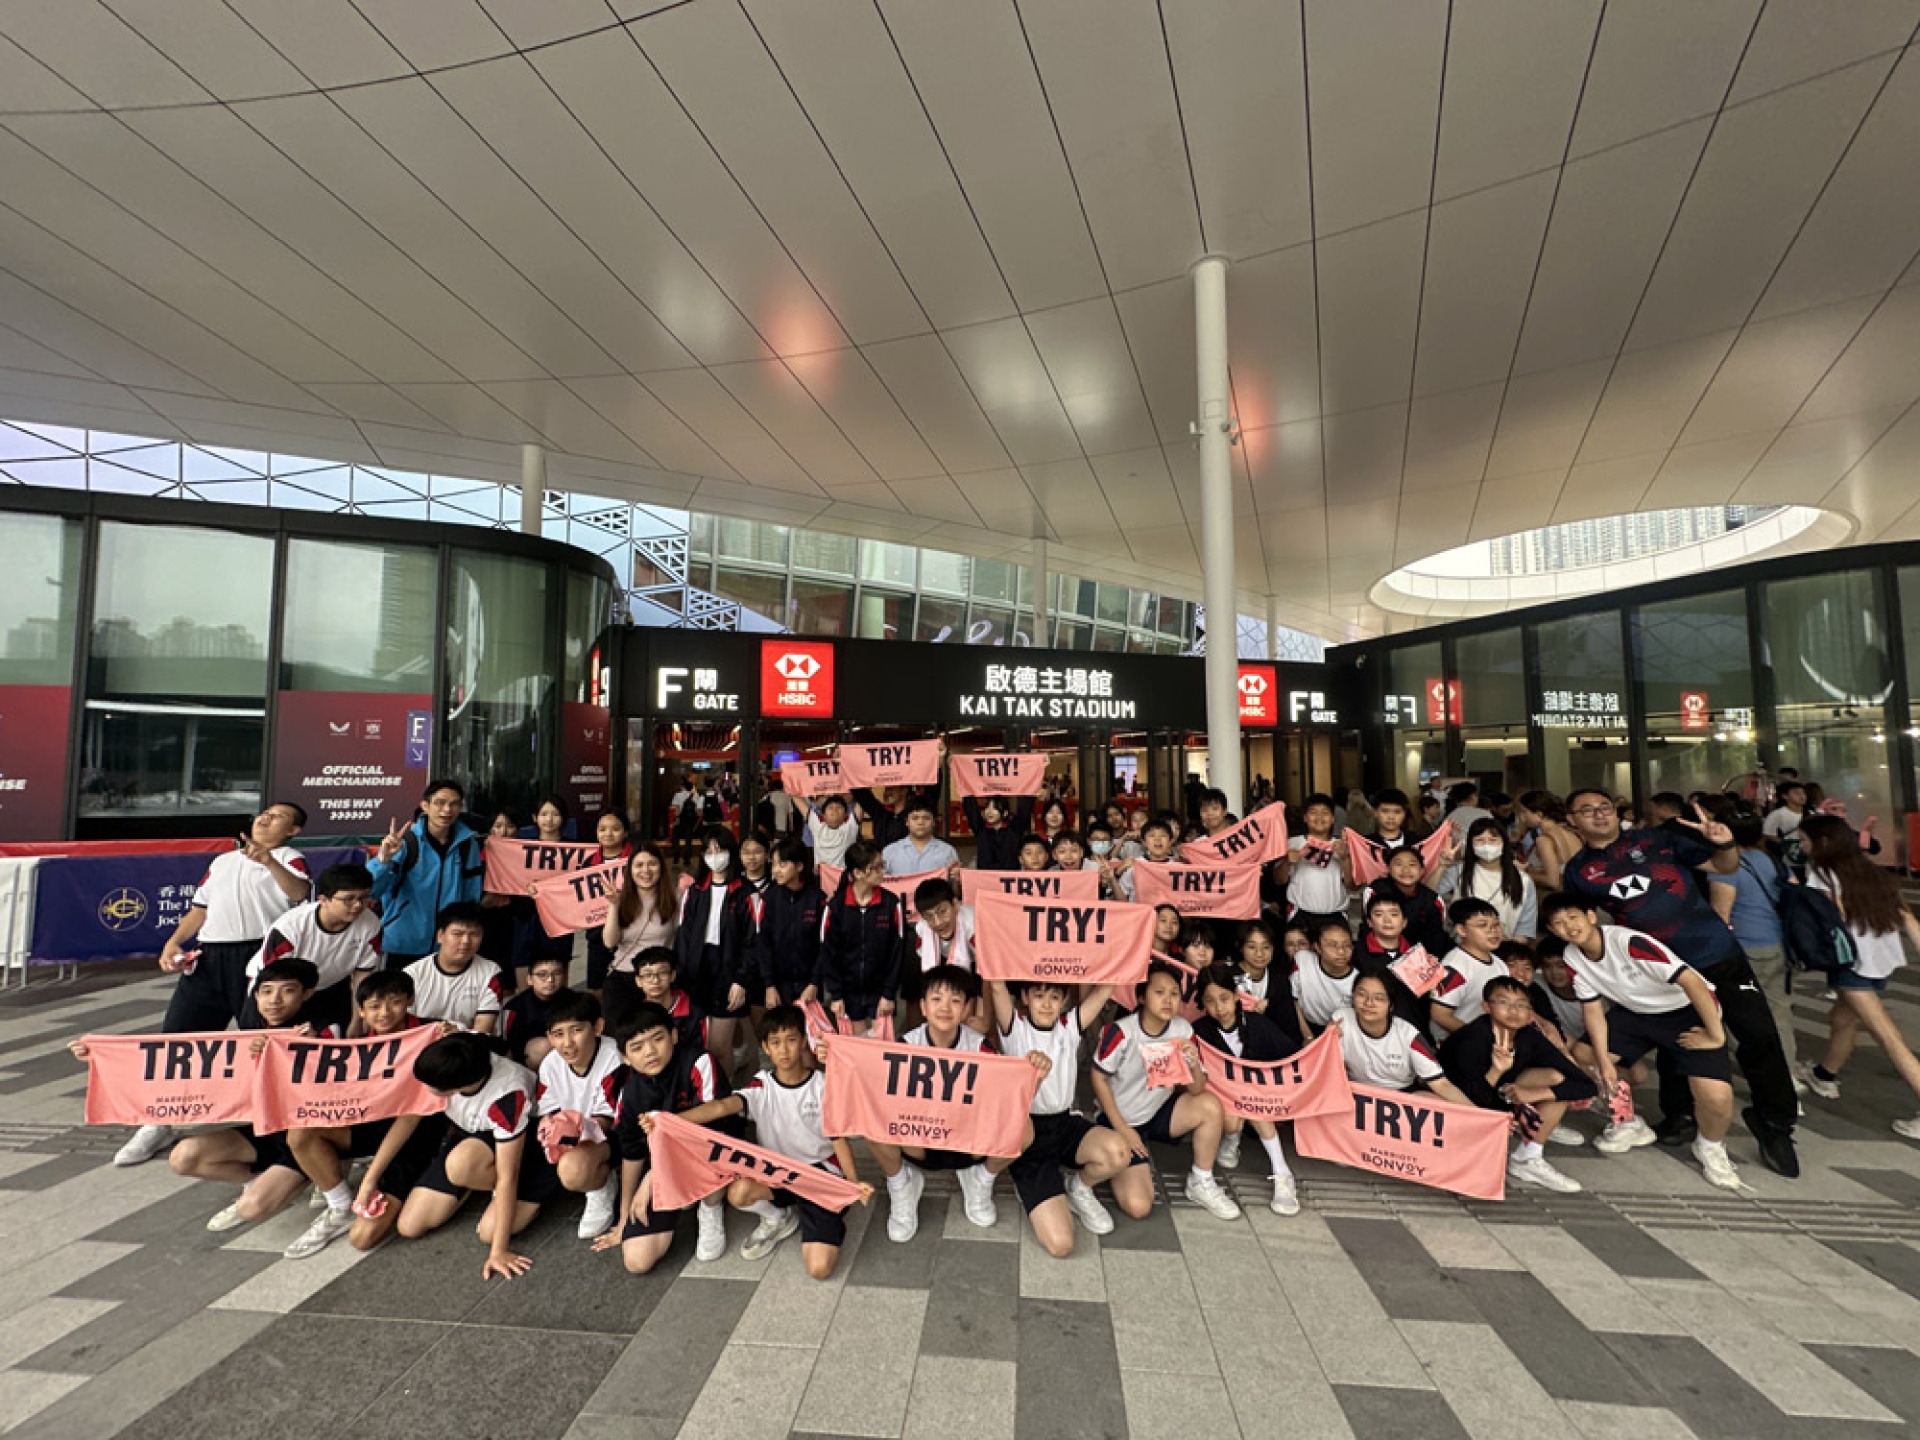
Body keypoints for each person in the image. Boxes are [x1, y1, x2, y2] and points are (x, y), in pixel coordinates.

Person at [1558, 788, 1797, 1176]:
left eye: (1604, 807)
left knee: (1759, 1036)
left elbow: (1723, 867)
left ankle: (1775, 1123)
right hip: (1657, 971)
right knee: (1675, 1040)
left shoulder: (1657, 839)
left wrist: (1725, 843)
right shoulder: (1579, 871)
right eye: (1587, 810)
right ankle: (1680, 1116)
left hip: (1717, 955)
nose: (1599, 815)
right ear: (1572, 820)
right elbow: (1580, 922)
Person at [115, 802, 314, 1170]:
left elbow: (301, 894)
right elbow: (200, 909)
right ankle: (158, 1120)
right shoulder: (223, 861)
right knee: (177, 1038)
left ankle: (271, 1125)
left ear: (293, 830)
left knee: (260, 1042)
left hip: (259, 957)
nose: (266, 819)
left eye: (278, 817)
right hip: (210, 957)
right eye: (264, 814)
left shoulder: (290, 858)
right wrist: (174, 942)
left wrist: (268, 862)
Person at [85, 957, 323, 1229]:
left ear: (307, 994)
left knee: (252, 1208)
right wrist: (97, 1056)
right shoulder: (248, 1031)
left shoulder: (320, 1030)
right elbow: (157, 1064)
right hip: (266, 1134)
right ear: (255, 995)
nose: (275, 1000)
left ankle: (321, 1177)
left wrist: (312, 1050)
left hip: (307, 1138)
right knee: (183, 1157)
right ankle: (259, 1182)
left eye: (287, 991)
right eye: (266, 991)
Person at [1541, 894, 1745, 1191]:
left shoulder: (1629, 942)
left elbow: (1692, 982)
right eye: (1559, 923)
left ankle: (1710, 1146)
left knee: (1716, 1098)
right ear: (1552, 930)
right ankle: (1628, 1121)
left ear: (1591, 916)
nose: (1569, 927)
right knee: (1585, 1054)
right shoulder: (1572, 957)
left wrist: (1715, 1035)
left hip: (1685, 1010)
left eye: (1573, 917)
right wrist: (1603, 1063)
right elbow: (1593, 1011)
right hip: (1636, 1012)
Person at [658, 1006, 872, 1277]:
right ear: (765, 1047)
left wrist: (852, 1183)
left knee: (819, 1269)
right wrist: (670, 1121)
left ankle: (819, 1215)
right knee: (738, 1193)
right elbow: (721, 1106)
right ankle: (778, 1217)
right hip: (778, 1173)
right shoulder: (761, 1086)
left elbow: (839, 1140)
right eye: (775, 1042)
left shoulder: (823, 1085)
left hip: (819, 1175)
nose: (784, 1050)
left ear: (804, 1042)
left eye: (791, 1040)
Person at [280, 969, 449, 1260]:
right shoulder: (358, 1045)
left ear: (410, 1000)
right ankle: (340, 1206)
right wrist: (304, 1048)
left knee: (363, 1238)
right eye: (374, 1006)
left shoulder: (433, 1034)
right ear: (361, 1011)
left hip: (417, 1137)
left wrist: (371, 1178)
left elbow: (411, 1116)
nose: (384, 1013)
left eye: (394, 1002)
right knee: (300, 1133)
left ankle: (431, 1184)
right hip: (371, 1128)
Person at [367, 1031, 556, 1278]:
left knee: (489, 1231)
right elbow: (407, 1121)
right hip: (475, 1138)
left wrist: (499, 1251)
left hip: (525, 1145)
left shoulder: (507, 1095)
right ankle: (476, 1181)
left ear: (458, 1087)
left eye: (432, 1087)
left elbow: (508, 1175)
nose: (425, 1089)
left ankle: (502, 1190)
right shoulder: (458, 1051)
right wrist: (370, 1180)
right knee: (409, 1226)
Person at [853, 965, 1006, 1238]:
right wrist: (834, 1057)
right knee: (871, 1118)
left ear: (966, 1009)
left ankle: (981, 1179)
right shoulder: (906, 1046)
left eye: (955, 1000)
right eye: (936, 999)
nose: (945, 1007)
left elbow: (1004, 1097)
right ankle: (901, 1184)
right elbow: (873, 1086)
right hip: (919, 1144)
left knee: (1022, 1127)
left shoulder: (980, 1046)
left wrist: (1034, 1075)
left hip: (967, 1144)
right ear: (923, 1007)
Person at [986, 974, 1131, 1257]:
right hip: (1029, 1133)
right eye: (1038, 996)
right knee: (1061, 1244)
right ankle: (1031, 1185)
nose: (1046, 1004)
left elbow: (1104, 991)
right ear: (1025, 998)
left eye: (1054, 997)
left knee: (1118, 1153)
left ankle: (1079, 1188)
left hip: (1065, 1123)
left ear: (1064, 1000)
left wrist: (1123, 954)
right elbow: (996, 985)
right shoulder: (1015, 1027)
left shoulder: (1069, 1026)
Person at [1796, 814, 1920, 1139]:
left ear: (1822, 842)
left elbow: (1830, 919)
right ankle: (1825, 1076)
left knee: (1889, 1038)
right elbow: (1908, 919)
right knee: (1843, 1018)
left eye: (1804, 840)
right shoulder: (1872, 871)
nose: (1801, 846)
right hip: (1882, 960)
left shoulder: (1821, 873)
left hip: (1852, 964)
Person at [1091, 961, 1241, 1222]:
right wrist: (1123, 1129)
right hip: (1119, 1120)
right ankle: (1114, 1157)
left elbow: (1197, 1089)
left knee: (1209, 1105)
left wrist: (1192, 1063)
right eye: (1159, 992)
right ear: (1141, 997)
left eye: (1174, 993)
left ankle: (1201, 1180)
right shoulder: (1121, 1032)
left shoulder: (1183, 1030)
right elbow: (1097, 1077)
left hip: (1158, 1112)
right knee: (1139, 1206)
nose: (1168, 1000)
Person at [594, 1003, 733, 1272]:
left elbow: (713, 1130)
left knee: (713, 1150)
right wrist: (623, 1217)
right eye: (637, 1047)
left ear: (674, 1035)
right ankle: (681, 1194)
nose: (650, 1051)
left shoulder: (698, 1062)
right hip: (666, 1165)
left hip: (710, 1153)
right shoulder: (630, 1093)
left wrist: (651, 1178)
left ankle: (711, 1208)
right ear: (625, 1057)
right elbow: (632, 1154)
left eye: (657, 1039)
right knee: (637, 1261)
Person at [1438, 975, 1592, 1193]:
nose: (1513, 1010)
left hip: (1501, 1095)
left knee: (1556, 1078)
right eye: (1504, 1002)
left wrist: (1536, 1094)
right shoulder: (1472, 1038)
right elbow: (1469, 1098)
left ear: (1530, 1013)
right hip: (1459, 1106)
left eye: (1521, 1005)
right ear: (1486, 1006)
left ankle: (1527, 1158)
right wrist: (1497, 1070)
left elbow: (1585, 1085)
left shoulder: (1528, 1035)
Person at [1193, 962, 1301, 1214]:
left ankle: (1282, 1173)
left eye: (1224, 998)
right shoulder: (1198, 1031)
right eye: (1210, 1001)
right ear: (1203, 1004)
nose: (1219, 1008)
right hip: (1223, 1109)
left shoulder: (1257, 1024)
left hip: (1260, 1104)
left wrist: (1328, 1040)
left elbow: (1292, 1058)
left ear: (1235, 996)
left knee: (1254, 1102)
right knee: (1234, 1120)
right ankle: (1231, 1140)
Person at [242, 861, 380, 1038]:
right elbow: (273, 979)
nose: (358, 905)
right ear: (323, 900)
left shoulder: (370, 924)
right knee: (262, 1040)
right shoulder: (289, 928)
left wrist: (357, 1019)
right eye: (348, 899)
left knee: (336, 1037)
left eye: (364, 897)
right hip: (277, 985)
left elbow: (362, 975)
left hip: (329, 984)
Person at [1709, 813, 1798, 1081]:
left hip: (1745, 948)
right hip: (1777, 943)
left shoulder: (1725, 867)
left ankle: (1765, 1074)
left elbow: (1720, 916)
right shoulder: (1771, 859)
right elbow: (1793, 892)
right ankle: (1787, 1074)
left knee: (1742, 1014)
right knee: (1779, 1011)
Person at [533, 990, 624, 1239]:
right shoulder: (551, 1063)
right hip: (573, 1134)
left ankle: (601, 1185)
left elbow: (607, 1121)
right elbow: (548, 1109)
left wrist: (571, 1130)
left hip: (612, 1135)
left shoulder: (614, 1058)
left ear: (597, 1027)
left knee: (572, 1171)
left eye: (576, 1030)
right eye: (558, 1034)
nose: (567, 1043)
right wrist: (551, 1128)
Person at [370, 779, 485, 966]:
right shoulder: (405, 843)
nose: (447, 810)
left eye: (454, 804)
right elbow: (372, 890)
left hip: (448, 947)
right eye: (440, 803)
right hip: (403, 943)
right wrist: (383, 861)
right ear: (425, 805)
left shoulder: (467, 844)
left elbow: (471, 895)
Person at [676, 826, 752, 1071]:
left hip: (728, 970)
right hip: (697, 970)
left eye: (719, 850)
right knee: (700, 1043)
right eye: (708, 851)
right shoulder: (695, 891)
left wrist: (741, 980)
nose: (714, 856)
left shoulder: (745, 893)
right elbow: (684, 936)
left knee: (719, 1047)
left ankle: (724, 1089)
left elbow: (752, 942)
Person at [1328, 972, 1470, 1102]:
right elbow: (1325, 1067)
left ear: (1391, 1005)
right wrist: (1327, 1042)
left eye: (1379, 998)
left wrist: (1478, 1115)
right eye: (1362, 994)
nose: (1368, 1003)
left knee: (1433, 1101)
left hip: (1400, 1096)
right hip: (1357, 1092)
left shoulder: (1408, 1035)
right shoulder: (1341, 1020)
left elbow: (1441, 1083)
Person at [819, 841, 906, 1032]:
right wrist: (836, 994)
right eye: (876, 867)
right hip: (848, 992)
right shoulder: (836, 907)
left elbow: (897, 952)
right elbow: (828, 953)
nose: (882, 871)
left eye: (882, 865)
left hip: (881, 991)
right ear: (857, 873)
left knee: (882, 1045)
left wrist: (889, 993)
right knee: (856, 1045)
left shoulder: (891, 904)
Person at [600, 844, 678, 1028]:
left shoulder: (676, 898)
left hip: (657, 979)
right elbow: (609, 941)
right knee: (620, 1036)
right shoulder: (620, 898)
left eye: (652, 864)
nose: (646, 870)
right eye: (639, 865)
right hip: (623, 977)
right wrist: (614, 905)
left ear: (661, 867)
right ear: (630, 870)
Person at [404, 902, 506, 1032]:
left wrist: (456, 1033)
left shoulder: (491, 973)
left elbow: (483, 1029)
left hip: (469, 1043)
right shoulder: (412, 974)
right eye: (457, 934)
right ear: (440, 936)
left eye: (474, 934)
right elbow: (405, 1026)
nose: (466, 941)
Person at [752, 838, 825, 1007]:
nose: (776, 870)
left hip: (810, 985)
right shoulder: (769, 898)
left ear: (799, 866)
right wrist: (769, 984)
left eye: (782, 865)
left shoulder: (817, 899)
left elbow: (825, 946)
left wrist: (814, 982)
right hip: (778, 986)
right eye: (774, 864)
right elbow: (763, 943)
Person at [1432, 898, 1507, 1038]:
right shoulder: (1453, 967)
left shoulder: (1500, 964)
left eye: (1496, 924)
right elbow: (1439, 1014)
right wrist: (1477, 1037)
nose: (1493, 930)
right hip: (1457, 1042)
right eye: (1482, 925)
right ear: (1461, 930)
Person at [1274, 793, 1350, 931]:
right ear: (1305, 817)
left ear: (1333, 818)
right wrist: (1286, 862)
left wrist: (1345, 859)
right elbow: (1279, 880)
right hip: (1300, 914)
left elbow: (1353, 885)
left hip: (1335, 915)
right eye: (1313, 812)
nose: (1319, 817)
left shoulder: (1342, 846)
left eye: (1325, 813)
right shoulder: (1292, 843)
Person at [1457, 818, 1537, 940]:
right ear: (1470, 844)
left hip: (1506, 946)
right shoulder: (1458, 872)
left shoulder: (1524, 881)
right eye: (1480, 840)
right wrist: (1442, 866)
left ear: (1504, 842)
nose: (1486, 845)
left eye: (1493, 840)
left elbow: (1524, 929)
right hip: (1463, 945)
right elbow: (1433, 896)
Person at [1293, 917, 1359, 1037]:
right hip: (1304, 1026)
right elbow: (1293, 1000)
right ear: (1317, 947)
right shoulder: (1302, 961)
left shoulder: (1358, 980)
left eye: (1347, 945)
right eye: (1333, 945)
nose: (1341, 951)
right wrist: (1307, 1036)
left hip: (1341, 1032)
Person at [500, 952, 569, 1068]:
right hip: (528, 1059)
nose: (550, 979)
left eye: (556, 973)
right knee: (544, 1046)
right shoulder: (515, 1007)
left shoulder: (574, 1000)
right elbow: (509, 1046)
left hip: (568, 1049)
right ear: (529, 979)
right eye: (542, 974)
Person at [1514, 790, 1580, 892]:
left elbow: (1552, 881)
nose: (1521, 817)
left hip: (1557, 896)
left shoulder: (1544, 840)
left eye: (1524, 812)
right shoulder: (1573, 833)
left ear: (1539, 814)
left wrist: (1521, 873)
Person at [911, 877, 976, 975]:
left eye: (942, 911)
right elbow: (927, 970)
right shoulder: (922, 929)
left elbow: (990, 972)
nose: (938, 922)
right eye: (929, 916)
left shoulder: (974, 925)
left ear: (955, 904)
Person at [882, 797, 960, 877]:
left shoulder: (947, 851)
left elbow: (954, 883)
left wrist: (957, 878)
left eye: (926, 818)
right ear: (907, 822)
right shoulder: (890, 851)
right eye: (915, 818)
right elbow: (882, 882)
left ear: (934, 822)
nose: (920, 822)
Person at [963, 794, 1029, 872]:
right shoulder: (981, 829)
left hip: (1009, 878)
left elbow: (1025, 808)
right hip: (986, 877)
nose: (989, 811)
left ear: (1005, 813)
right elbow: (970, 807)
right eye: (987, 807)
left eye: (995, 808)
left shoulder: (1014, 830)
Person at [1764, 780, 1810, 874]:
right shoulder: (1777, 814)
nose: (1802, 796)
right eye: (1796, 793)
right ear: (1785, 796)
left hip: (1809, 857)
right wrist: (1785, 844)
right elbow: (1767, 833)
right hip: (1791, 857)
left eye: (1803, 793)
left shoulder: (1810, 813)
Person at [805, 795, 861, 870]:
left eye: (839, 807)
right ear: (824, 815)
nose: (834, 810)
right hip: (822, 874)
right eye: (830, 807)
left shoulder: (851, 827)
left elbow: (862, 800)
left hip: (844, 875)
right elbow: (797, 798)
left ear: (845, 815)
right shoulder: (817, 826)